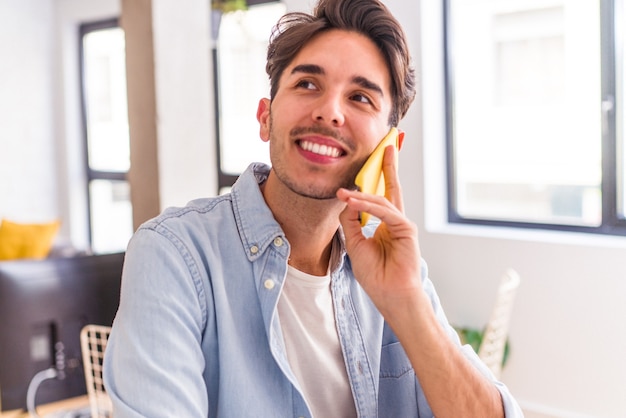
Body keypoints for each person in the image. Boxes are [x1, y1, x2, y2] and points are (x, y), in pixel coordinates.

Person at [103, 0, 523, 416]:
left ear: (389, 148)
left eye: (360, 97)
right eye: (307, 84)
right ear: (266, 118)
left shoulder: (398, 269)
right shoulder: (174, 255)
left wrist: (407, 303)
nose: (329, 111)